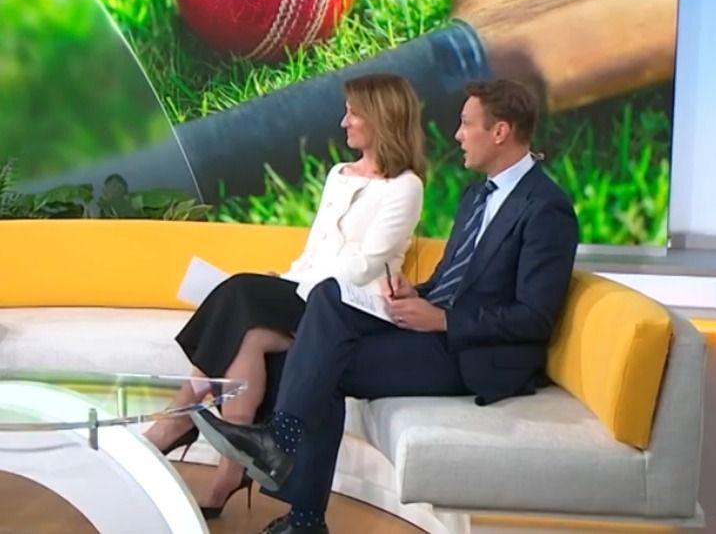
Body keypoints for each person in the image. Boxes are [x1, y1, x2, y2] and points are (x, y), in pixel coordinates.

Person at [192, 79, 580, 534]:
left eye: (466, 124)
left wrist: (444, 319)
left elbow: (534, 318)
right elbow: (455, 279)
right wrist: (417, 293)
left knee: (321, 361)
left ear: (500, 132)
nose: (457, 135)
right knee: (328, 302)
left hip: (477, 356)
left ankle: (289, 475)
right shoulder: (477, 195)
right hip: (435, 331)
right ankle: (294, 487)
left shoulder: (546, 208)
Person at [143, 73, 426, 519]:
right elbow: (314, 251)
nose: (344, 122)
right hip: (306, 290)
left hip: (347, 307)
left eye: (353, 113)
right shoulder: (339, 174)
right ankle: (228, 471)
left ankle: (180, 417)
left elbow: (363, 267)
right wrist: (289, 278)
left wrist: (295, 287)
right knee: (250, 333)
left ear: (381, 117)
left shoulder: (405, 187)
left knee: (241, 291)